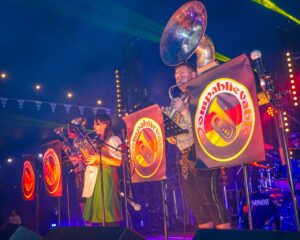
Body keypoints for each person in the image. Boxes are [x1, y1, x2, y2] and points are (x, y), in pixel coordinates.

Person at [163, 36, 231, 229]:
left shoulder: (202, 94)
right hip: (184, 156)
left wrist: (184, 111)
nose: (178, 78)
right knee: (197, 205)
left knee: (213, 201)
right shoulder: (177, 99)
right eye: (176, 76)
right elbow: (172, 140)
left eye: (182, 74)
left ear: (193, 74)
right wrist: (166, 123)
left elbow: (208, 125)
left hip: (203, 152)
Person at [81, 113, 123, 226]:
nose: (94, 126)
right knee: (98, 212)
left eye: (96, 124)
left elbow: (119, 161)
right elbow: (96, 159)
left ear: (105, 125)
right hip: (95, 177)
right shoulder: (96, 140)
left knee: (106, 208)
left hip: (106, 177)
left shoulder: (113, 139)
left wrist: (98, 158)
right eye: (94, 124)